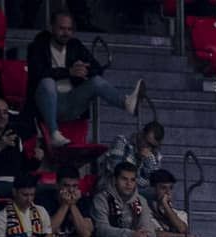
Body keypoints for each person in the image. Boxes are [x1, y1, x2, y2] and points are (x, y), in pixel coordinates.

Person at [29, 13, 143, 151]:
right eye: (61, 28)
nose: (66, 33)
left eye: (69, 29)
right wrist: (69, 71)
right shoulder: (39, 45)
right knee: (47, 82)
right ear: (51, 27)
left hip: (72, 102)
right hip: (46, 102)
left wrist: (84, 70)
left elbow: (97, 68)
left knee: (96, 81)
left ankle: (126, 103)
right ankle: (53, 133)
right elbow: (37, 73)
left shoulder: (75, 45)